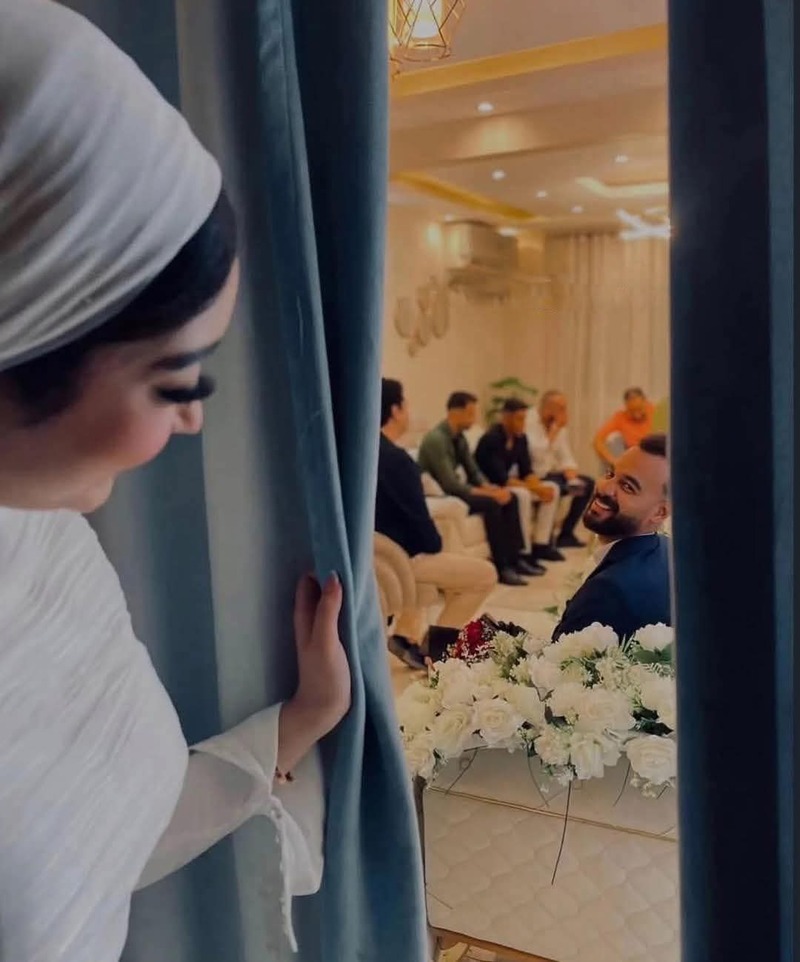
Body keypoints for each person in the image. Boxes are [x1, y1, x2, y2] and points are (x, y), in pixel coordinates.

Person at [0, 3, 349, 958]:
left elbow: (92, 848)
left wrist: (303, 719)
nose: (195, 420)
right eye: (176, 381)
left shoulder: (43, 542)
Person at [376, 379, 497, 667]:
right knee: (485, 574)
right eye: (405, 404)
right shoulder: (397, 462)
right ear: (395, 410)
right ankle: (435, 650)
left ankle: (406, 635)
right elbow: (426, 540)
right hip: (396, 560)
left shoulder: (362, 453)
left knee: (444, 534)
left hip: (377, 552)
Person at [553, 434, 672, 641]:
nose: (604, 487)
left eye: (627, 487)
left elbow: (554, 657)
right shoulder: (667, 549)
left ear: (659, 513)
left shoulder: (608, 590)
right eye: (610, 474)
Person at [417, 392, 537, 587]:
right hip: (442, 495)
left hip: (456, 490)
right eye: (470, 414)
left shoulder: (459, 438)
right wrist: (490, 494)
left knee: (510, 497)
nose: (474, 419)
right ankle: (502, 567)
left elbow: (474, 472)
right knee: (492, 504)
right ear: (455, 412)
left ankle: (515, 560)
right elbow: (450, 484)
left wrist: (492, 488)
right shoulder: (436, 439)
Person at [474, 398, 564, 563]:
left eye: (524, 419)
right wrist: (536, 489)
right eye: (519, 419)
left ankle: (541, 544)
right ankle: (523, 553)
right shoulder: (492, 439)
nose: (523, 424)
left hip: (508, 482)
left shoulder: (520, 439)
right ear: (506, 418)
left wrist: (539, 487)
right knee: (523, 494)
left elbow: (526, 471)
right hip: (490, 485)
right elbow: (501, 478)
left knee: (552, 488)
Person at [527, 390, 595, 549]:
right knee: (555, 487)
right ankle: (545, 540)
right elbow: (536, 455)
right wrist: (554, 431)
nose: (565, 412)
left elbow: (565, 455)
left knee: (585, 486)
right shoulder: (529, 421)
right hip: (534, 475)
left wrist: (571, 470)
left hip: (551, 473)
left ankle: (566, 534)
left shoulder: (557, 426)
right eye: (562, 408)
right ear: (548, 408)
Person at [593, 387, 655, 467]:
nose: (637, 415)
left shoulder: (655, 411)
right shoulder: (620, 417)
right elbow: (597, 441)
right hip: (632, 458)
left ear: (645, 402)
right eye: (632, 411)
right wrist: (613, 461)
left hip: (653, 455)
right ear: (626, 406)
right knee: (613, 439)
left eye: (639, 409)